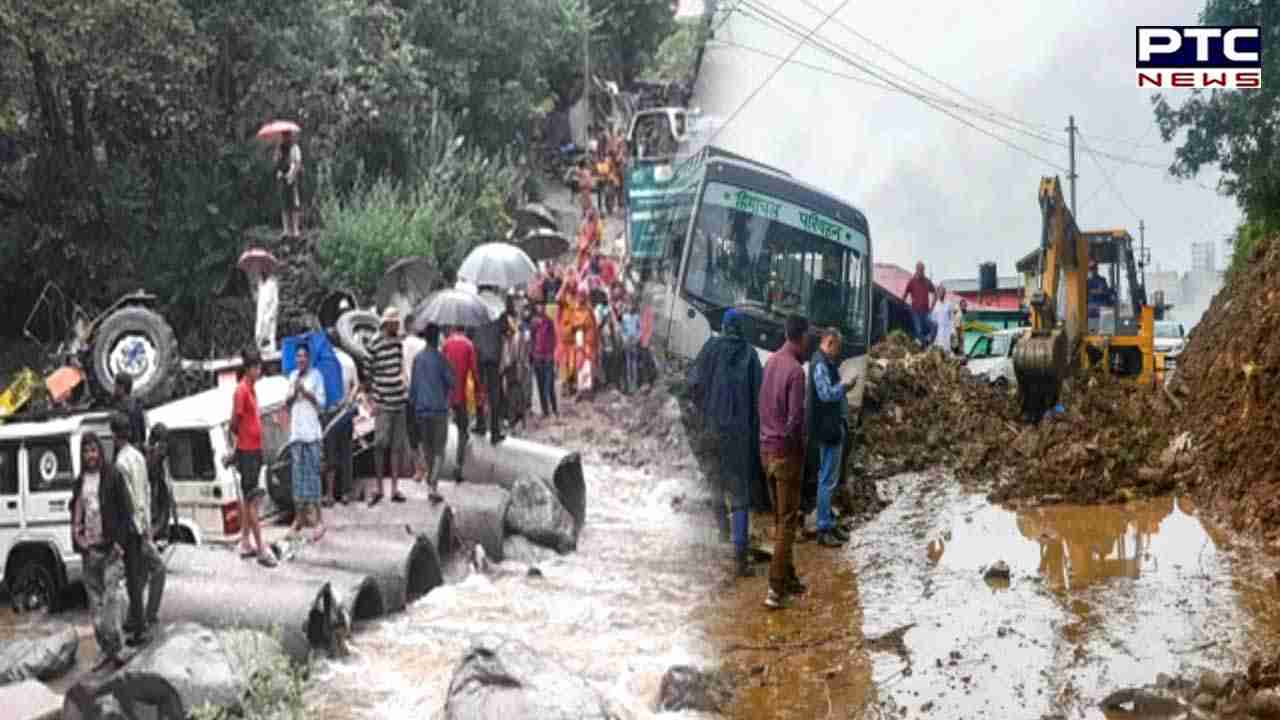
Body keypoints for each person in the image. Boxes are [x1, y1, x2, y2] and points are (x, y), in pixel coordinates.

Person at [687, 309, 765, 578]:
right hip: (740, 435)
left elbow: (693, 385)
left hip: (712, 429)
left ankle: (721, 534)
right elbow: (760, 399)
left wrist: (704, 410)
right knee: (740, 493)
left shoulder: (711, 349)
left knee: (715, 483)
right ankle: (740, 557)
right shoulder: (751, 356)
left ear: (724, 326)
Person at [758, 315, 811, 610]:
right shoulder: (796, 372)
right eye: (808, 339)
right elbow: (794, 422)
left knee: (780, 517)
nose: (809, 344)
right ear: (800, 337)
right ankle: (775, 590)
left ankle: (787, 578)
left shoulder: (771, 362)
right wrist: (797, 450)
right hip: (785, 454)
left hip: (765, 450)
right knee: (787, 522)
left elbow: (762, 405)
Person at [72, 433, 132, 671]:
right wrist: (79, 542)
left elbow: (126, 511)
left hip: (111, 551)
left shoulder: (113, 476)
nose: (91, 455)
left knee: (110, 603)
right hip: (90, 553)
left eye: (94, 450)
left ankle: (118, 649)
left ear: (100, 452)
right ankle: (107, 652)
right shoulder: (80, 482)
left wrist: (120, 543)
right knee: (96, 609)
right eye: (86, 451)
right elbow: (76, 513)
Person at [113, 411, 164, 646]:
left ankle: (141, 623)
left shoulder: (121, 463)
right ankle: (137, 620)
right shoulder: (138, 457)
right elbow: (145, 492)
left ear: (114, 435)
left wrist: (137, 529)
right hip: (143, 526)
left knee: (137, 577)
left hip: (134, 530)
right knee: (140, 575)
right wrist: (148, 527)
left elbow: (131, 500)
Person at [808, 328, 852, 548]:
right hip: (828, 429)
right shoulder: (819, 364)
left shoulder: (824, 362)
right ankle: (823, 527)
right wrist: (844, 387)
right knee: (826, 480)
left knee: (828, 478)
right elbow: (825, 394)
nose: (839, 352)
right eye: (838, 347)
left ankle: (829, 522)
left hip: (831, 426)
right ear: (830, 342)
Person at [364, 308, 409, 505]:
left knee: (396, 446)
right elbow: (367, 373)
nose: (398, 325)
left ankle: (395, 488)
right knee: (380, 445)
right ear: (387, 323)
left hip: (399, 400)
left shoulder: (398, 343)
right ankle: (380, 487)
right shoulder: (374, 343)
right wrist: (372, 399)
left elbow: (399, 367)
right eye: (395, 322)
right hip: (383, 402)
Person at [410, 324, 455, 503]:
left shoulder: (418, 359)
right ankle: (433, 484)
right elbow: (452, 382)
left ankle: (431, 482)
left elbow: (413, 388)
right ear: (437, 339)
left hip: (421, 410)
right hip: (438, 410)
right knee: (439, 450)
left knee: (427, 448)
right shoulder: (441, 359)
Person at [287, 344, 326, 539]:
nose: (300, 359)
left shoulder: (317, 376)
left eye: (303, 356)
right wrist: (294, 392)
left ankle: (318, 520)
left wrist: (307, 392)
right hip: (296, 434)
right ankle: (299, 518)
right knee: (297, 478)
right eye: (297, 356)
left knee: (313, 476)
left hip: (312, 434)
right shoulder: (292, 376)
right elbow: (287, 404)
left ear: (308, 358)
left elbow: (322, 405)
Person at [442, 326, 479, 482]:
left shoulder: (446, 344)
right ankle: (458, 465)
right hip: (460, 396)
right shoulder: (468, 345)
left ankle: (438, 466)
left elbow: (441, 367)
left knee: (443, 430)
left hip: (445, 395)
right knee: (462, 431)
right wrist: (479, 389)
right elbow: (474, 371)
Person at [325, 345, 359, 506]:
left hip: (331, 413)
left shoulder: (325, 361)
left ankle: (330, 494)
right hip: (346, 412)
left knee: (330, 452)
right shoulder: (349, 360)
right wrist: (349, 399)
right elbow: (356, 385)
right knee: (346, 452)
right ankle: (346, 493)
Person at [472, 303, 505, 444]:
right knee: (494, 394)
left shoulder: (474, 308)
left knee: (479, 390)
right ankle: (495, 432)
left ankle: (480, 424)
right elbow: (506, 330)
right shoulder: (498, 308)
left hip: (479, 355)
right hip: (493, 357)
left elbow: (470, 333)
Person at [502, 296, 531, 430]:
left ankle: (514, 417)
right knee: (517, 389)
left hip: (513, 363)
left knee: (513, 389)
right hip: (516, 363)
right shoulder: (516, 325)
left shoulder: (514, 326)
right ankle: (518, 417)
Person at [145, 424, 176, 543]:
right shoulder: (148, 455)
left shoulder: (162, 459)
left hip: (162, 503)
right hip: (153, 506)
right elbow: (149, 472)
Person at [529, 301, 559, 418]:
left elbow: (553, 338)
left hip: (548, 357)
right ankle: (545, 410)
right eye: (538, 305)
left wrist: (552, 354)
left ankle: (555, 409)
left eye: (542, 305)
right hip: (537, 357)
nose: (540, 307)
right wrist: (532, 354)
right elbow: (531, 340)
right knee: (540, 385)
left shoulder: (549, 322)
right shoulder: (533, 323)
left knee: (549, 385)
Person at [901, 261, 937, 348]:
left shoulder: (927, 281)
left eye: (922, 269)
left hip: (926, 312)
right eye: (919, 269)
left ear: (924, 270)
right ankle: (924, 346)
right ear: (916, 270)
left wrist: (932, 307)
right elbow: (905, 294)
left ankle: (927, 341)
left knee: (934, 325)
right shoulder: (911, 281)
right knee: (919, 330)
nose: (921, 271)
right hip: (915, 311)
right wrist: (901, 304)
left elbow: (935, 293)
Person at [276, 131, 303, 237]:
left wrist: (292, 175)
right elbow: (276, 162)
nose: (285, 138)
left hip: (292, 178)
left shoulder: (295, 148)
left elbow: (298, 163)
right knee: (284, 204)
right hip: (282, 178)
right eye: (283, 136)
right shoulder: (280, 148)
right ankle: (286, 230)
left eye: (287, 135)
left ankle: (295, 229)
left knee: (294, 205)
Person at [114, 374, 146, 447]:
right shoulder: (137, 405)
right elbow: (142, 433)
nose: (114, 388)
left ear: (122, 387)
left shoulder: (126, 408)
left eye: (116, 386)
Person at [621, 299, 642, 394]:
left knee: (634, 364)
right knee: (628, 364)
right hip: (627, 343)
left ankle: (635, 385)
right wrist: (625, 338)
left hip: (634, 343)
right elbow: (622, 330)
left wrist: (637, 339)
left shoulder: (637, 317)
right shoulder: (624, 317)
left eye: (631, 305)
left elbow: (640, 329)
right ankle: (628, 386)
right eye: (628, 305)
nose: (630, 307)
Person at [930, 285, 957, 356]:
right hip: (939, 331)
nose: (941, 293)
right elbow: (933, 320)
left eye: (942, 292)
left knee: (947, 349)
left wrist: (952, 331)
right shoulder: (935, 305)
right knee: (939, 350)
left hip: (947, 330)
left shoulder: (948, 304)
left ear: (944, 293)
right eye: (939, 292)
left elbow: (951, 318)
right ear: (937, 293)